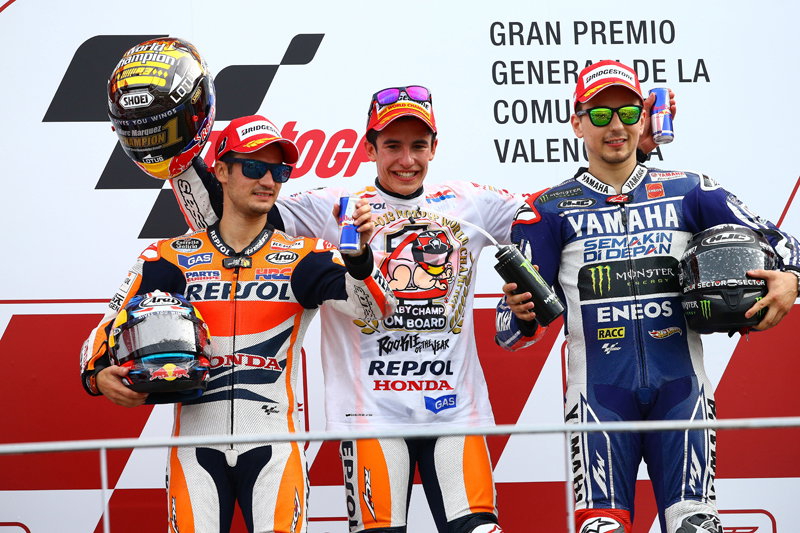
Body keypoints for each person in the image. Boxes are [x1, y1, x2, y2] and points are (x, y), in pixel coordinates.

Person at [171, 82, 670, 533]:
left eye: (418, 145)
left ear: (435, 147)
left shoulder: (471, 203)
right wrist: (176, 158)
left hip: (454, 413)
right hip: (370, 417)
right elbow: (226, 216)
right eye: (392, 145)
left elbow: (561, 213)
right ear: (369, 148)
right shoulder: (334, 204)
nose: (406, 159)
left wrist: (635, 158)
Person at [494, 60, 800, 533]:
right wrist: (521, 315)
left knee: (695, 525)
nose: (615, 126)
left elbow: (782, 244)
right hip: (597, 399)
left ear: (645, 118)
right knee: (604, 527)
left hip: (682, 392)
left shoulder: (690, 190)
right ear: (576, 123)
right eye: (600, 115)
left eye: (627, 112)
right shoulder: (546, 210)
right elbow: (508, 333)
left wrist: (792, 278)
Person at [79, 115, 397, 533]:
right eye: (253, 167)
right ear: (221, 171)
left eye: (279, 171)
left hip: (275, 448)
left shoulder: (307, 255)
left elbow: (375, 311)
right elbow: (101, 336)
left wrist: (359, 261)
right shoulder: (167, 257)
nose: (268, 180)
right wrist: (98, 377)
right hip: (194, 450)